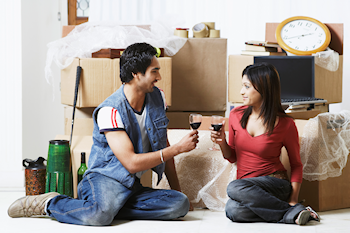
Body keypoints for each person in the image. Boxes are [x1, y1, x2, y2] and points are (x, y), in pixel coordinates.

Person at [8, 42, 199, 225]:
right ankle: (50, 203)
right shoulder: (110, 110)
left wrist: (177, 190)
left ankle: (109, 208)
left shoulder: (158, 97)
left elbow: (162, 145)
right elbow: (131, 163)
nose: (159, 77)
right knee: (98, 216)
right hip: (104, 180)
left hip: (132, 187)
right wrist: (178, 149)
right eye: (154, 71)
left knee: (178, 204)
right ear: (136, 74)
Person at [210, 63, 320, 225]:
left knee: (233, 188)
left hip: (275, 183)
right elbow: (232, 157)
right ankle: (295, 214)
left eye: (247, 87)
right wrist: (222, 143)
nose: (242, 92)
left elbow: (296, 165)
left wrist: (293, 199)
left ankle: (292, 209)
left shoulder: (285, 124)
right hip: (247, 187)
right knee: (233, 210)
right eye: (242, 86)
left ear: (264, 88)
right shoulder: (235, 115)